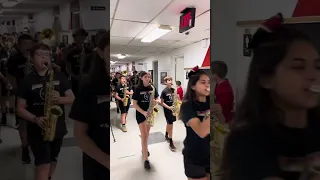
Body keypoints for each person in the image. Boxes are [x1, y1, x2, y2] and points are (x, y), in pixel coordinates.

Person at [223, 13, 320, 180]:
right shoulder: (248, 141)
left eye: (318, 66)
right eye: (298, 67)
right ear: (266, 79)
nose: (313, 76)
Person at [16, 43, 74, 180]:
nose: (44, 57)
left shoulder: (59, 77)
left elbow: (72, 99)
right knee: (43, 164)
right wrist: (35, 119)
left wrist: (59, 99)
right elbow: (19, 109)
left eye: (47, 54)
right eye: (40, 54)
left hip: (57, 127)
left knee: (53, 160)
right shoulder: (26, 81)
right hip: (37, 129)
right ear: (31, 59)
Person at [69, 32, 109, 180]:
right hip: (97, 165)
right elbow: (80, 135)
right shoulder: (89, 88)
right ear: (100, 52)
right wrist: (106, 161)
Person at [6, 33, 33, 164]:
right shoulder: (14, 60)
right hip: (21, 95)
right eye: (25, 44)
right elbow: (10, 77)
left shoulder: (36, 57)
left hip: (36, 94)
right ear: (19, 45)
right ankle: (25, 148)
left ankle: (35, 145)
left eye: (30, 44)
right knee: (23, 124)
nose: (28, 47)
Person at [180, 66, 210, 180]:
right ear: (193, 86)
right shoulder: (187, 106)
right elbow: (201, 132)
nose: (207, 85)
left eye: (209, 82)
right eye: (203, 82)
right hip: (194, 156)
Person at [132, 71, 160, 170]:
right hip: (141, 114)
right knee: (144, 135)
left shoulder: (152, 88)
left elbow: (157, 98)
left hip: (150, 114)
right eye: (146, 77)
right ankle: (146, 159)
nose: (148, 78)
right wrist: (143, 112)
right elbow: (134, 104)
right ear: (141, 78)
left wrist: (157, 101)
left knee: (147, 135)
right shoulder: (137, 89)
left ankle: (143, 149)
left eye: (149, 77)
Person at [65, 28, 92, 96]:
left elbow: (93, 65)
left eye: (83, 36)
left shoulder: (89, 51)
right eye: (79, 36)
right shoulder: (71, 52)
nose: (81, 38)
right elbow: (67, 68)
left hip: (87, 80)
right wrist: (74, 76)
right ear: (75, 38)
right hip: (75, 80)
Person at [160, 76, 177, 151]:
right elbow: (162, 103)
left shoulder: (173, 90)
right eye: (168, 80)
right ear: (166, 82)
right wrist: (169, 108)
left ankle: (166, 134)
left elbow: (176, 99)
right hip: (167, 110)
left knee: (169, 123)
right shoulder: (164, 91)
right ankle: (171, 141)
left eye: (170, 80)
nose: (170, 82)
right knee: (171, 124)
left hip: (173, 109)